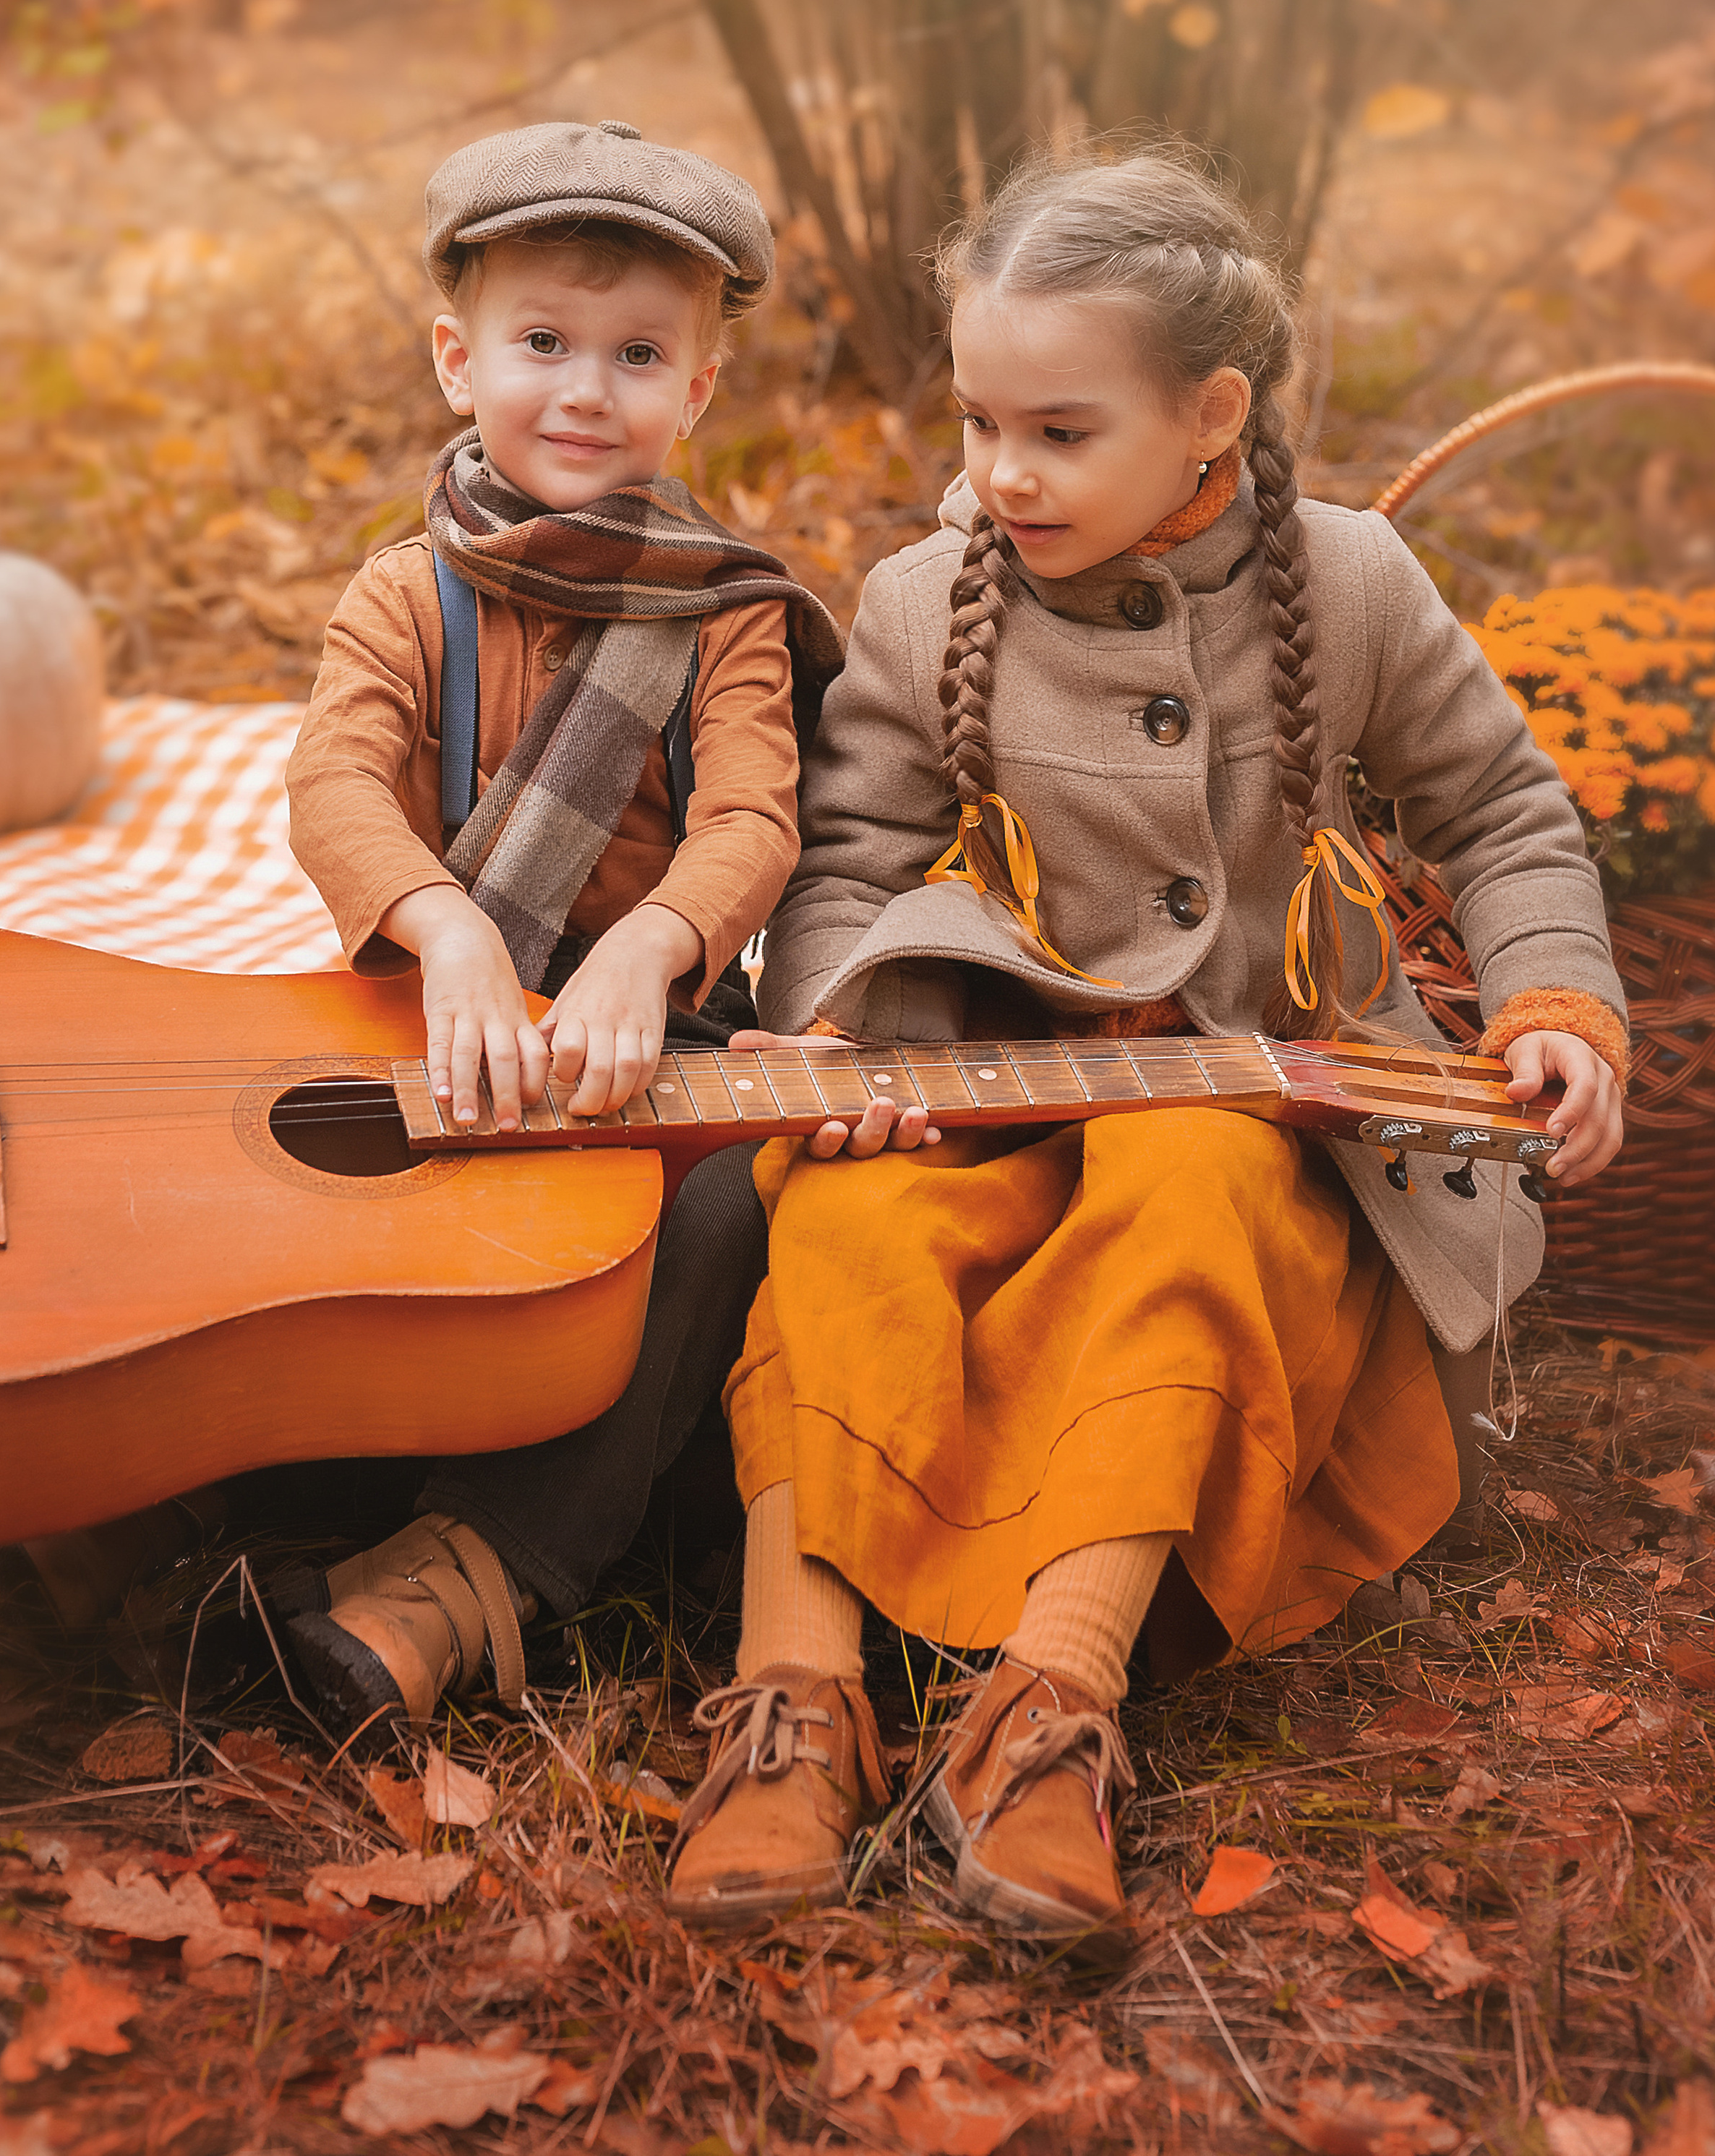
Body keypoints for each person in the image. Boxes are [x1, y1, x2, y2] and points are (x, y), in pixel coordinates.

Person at [662, 145, 1625, 1943]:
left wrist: (1555, 1004)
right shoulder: (918, 599)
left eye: (1059, 430)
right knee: (835, 1217)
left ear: (1209, 416)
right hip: (1004, 1097)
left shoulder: (1343, 584)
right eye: (976, 423)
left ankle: (1047, 1705)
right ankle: (796, 1703)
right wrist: (849, 1034)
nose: (1003, 473)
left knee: (1191, 1177)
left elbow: (1502, 813)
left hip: (1262, 1114)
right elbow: (856, 853)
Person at [267, 117, 842, 1737]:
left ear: (696, 390)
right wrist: (443, 928)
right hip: (434, 1003)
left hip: (637, 1032)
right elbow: (332, 781)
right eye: (541, 343)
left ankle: (483, 1569)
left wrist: (651, 946)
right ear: (457, 362)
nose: (585, 390)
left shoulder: (721, 606)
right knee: (284, 1182)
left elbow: (749, 820)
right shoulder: (408, 592)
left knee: (735, 1198)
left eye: (637, 353)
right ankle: (228, 1489)